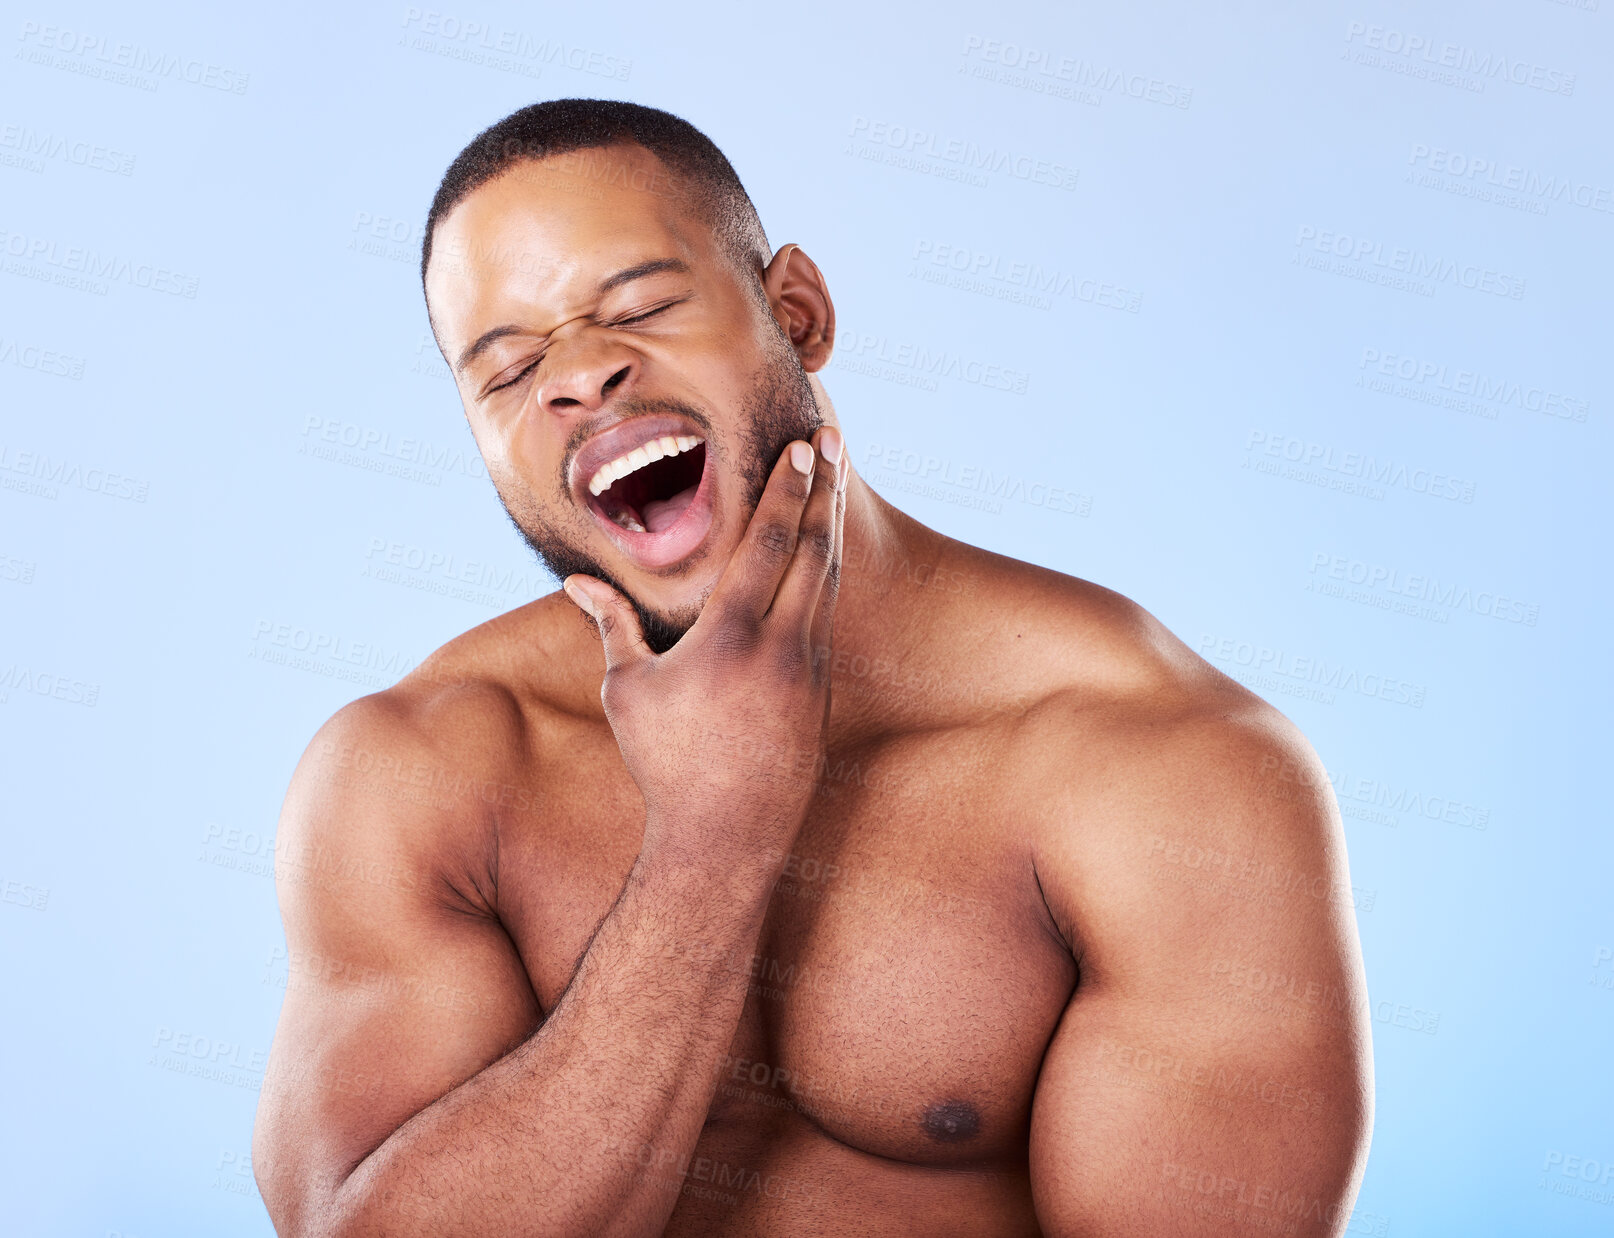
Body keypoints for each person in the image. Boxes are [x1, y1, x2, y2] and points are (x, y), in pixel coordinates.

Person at [252, 99, 1372, 1237]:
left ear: (799, 312)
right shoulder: (420, 771)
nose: (580, 378)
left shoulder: (1164, 772)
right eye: (507, 370)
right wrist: (707, 840)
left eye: (637, 305)